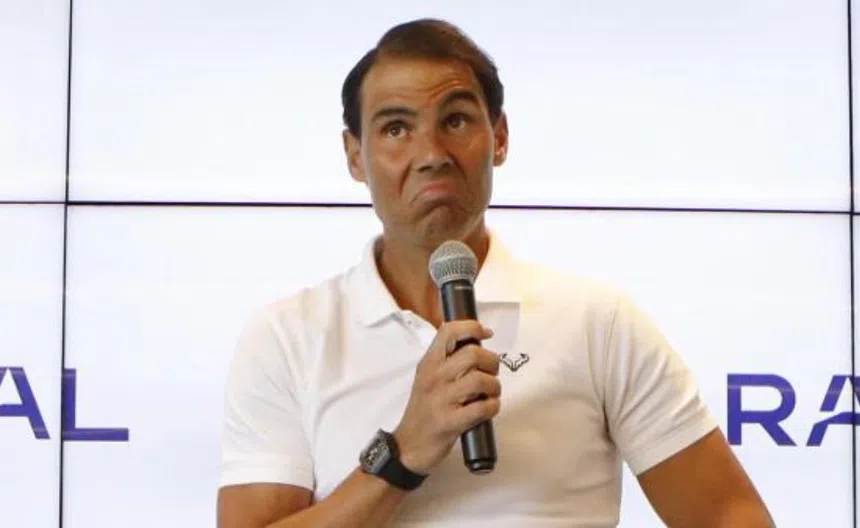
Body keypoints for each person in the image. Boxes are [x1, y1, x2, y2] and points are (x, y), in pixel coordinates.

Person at [216, 18, 774, 527]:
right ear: (355, 156)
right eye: (396, 129)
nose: (432, 154)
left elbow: (731, 515)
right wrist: (405, 451)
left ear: (499, 137)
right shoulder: (287, 336)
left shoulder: (596, 322)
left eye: (455, 120)